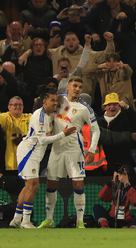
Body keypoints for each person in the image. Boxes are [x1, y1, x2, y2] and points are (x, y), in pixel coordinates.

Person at [9, 85, 76, 229]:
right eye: (52, 100)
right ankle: (26, 222)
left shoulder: (50, 115)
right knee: (33, 185)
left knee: (28, 186)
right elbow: (42, 140)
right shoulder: (39, 115)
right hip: (28, 152)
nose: (55, 103)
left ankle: (16, 220)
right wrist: (63, 134)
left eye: (56, 100)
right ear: (44, 102)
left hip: (35, 153)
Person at [38, 76, 100, 229]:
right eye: (75, 86)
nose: (77, 89)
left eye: (80, 86)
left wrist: (92, 150)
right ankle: (49, 219)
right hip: (57, 149)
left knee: (78, 185)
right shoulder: (58, 100)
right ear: (68, 87)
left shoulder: (85, 108)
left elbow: (96, 129)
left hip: (74, 150)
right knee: (51, 184)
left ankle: (80, 221)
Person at [0, 96, 32, 176]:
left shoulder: (29, 117)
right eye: (15, 104)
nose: (18, 107)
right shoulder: (5, 117)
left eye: (20, 105)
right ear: (9, 107)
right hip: (10, 164)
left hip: (27, 163)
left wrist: (24, 139)